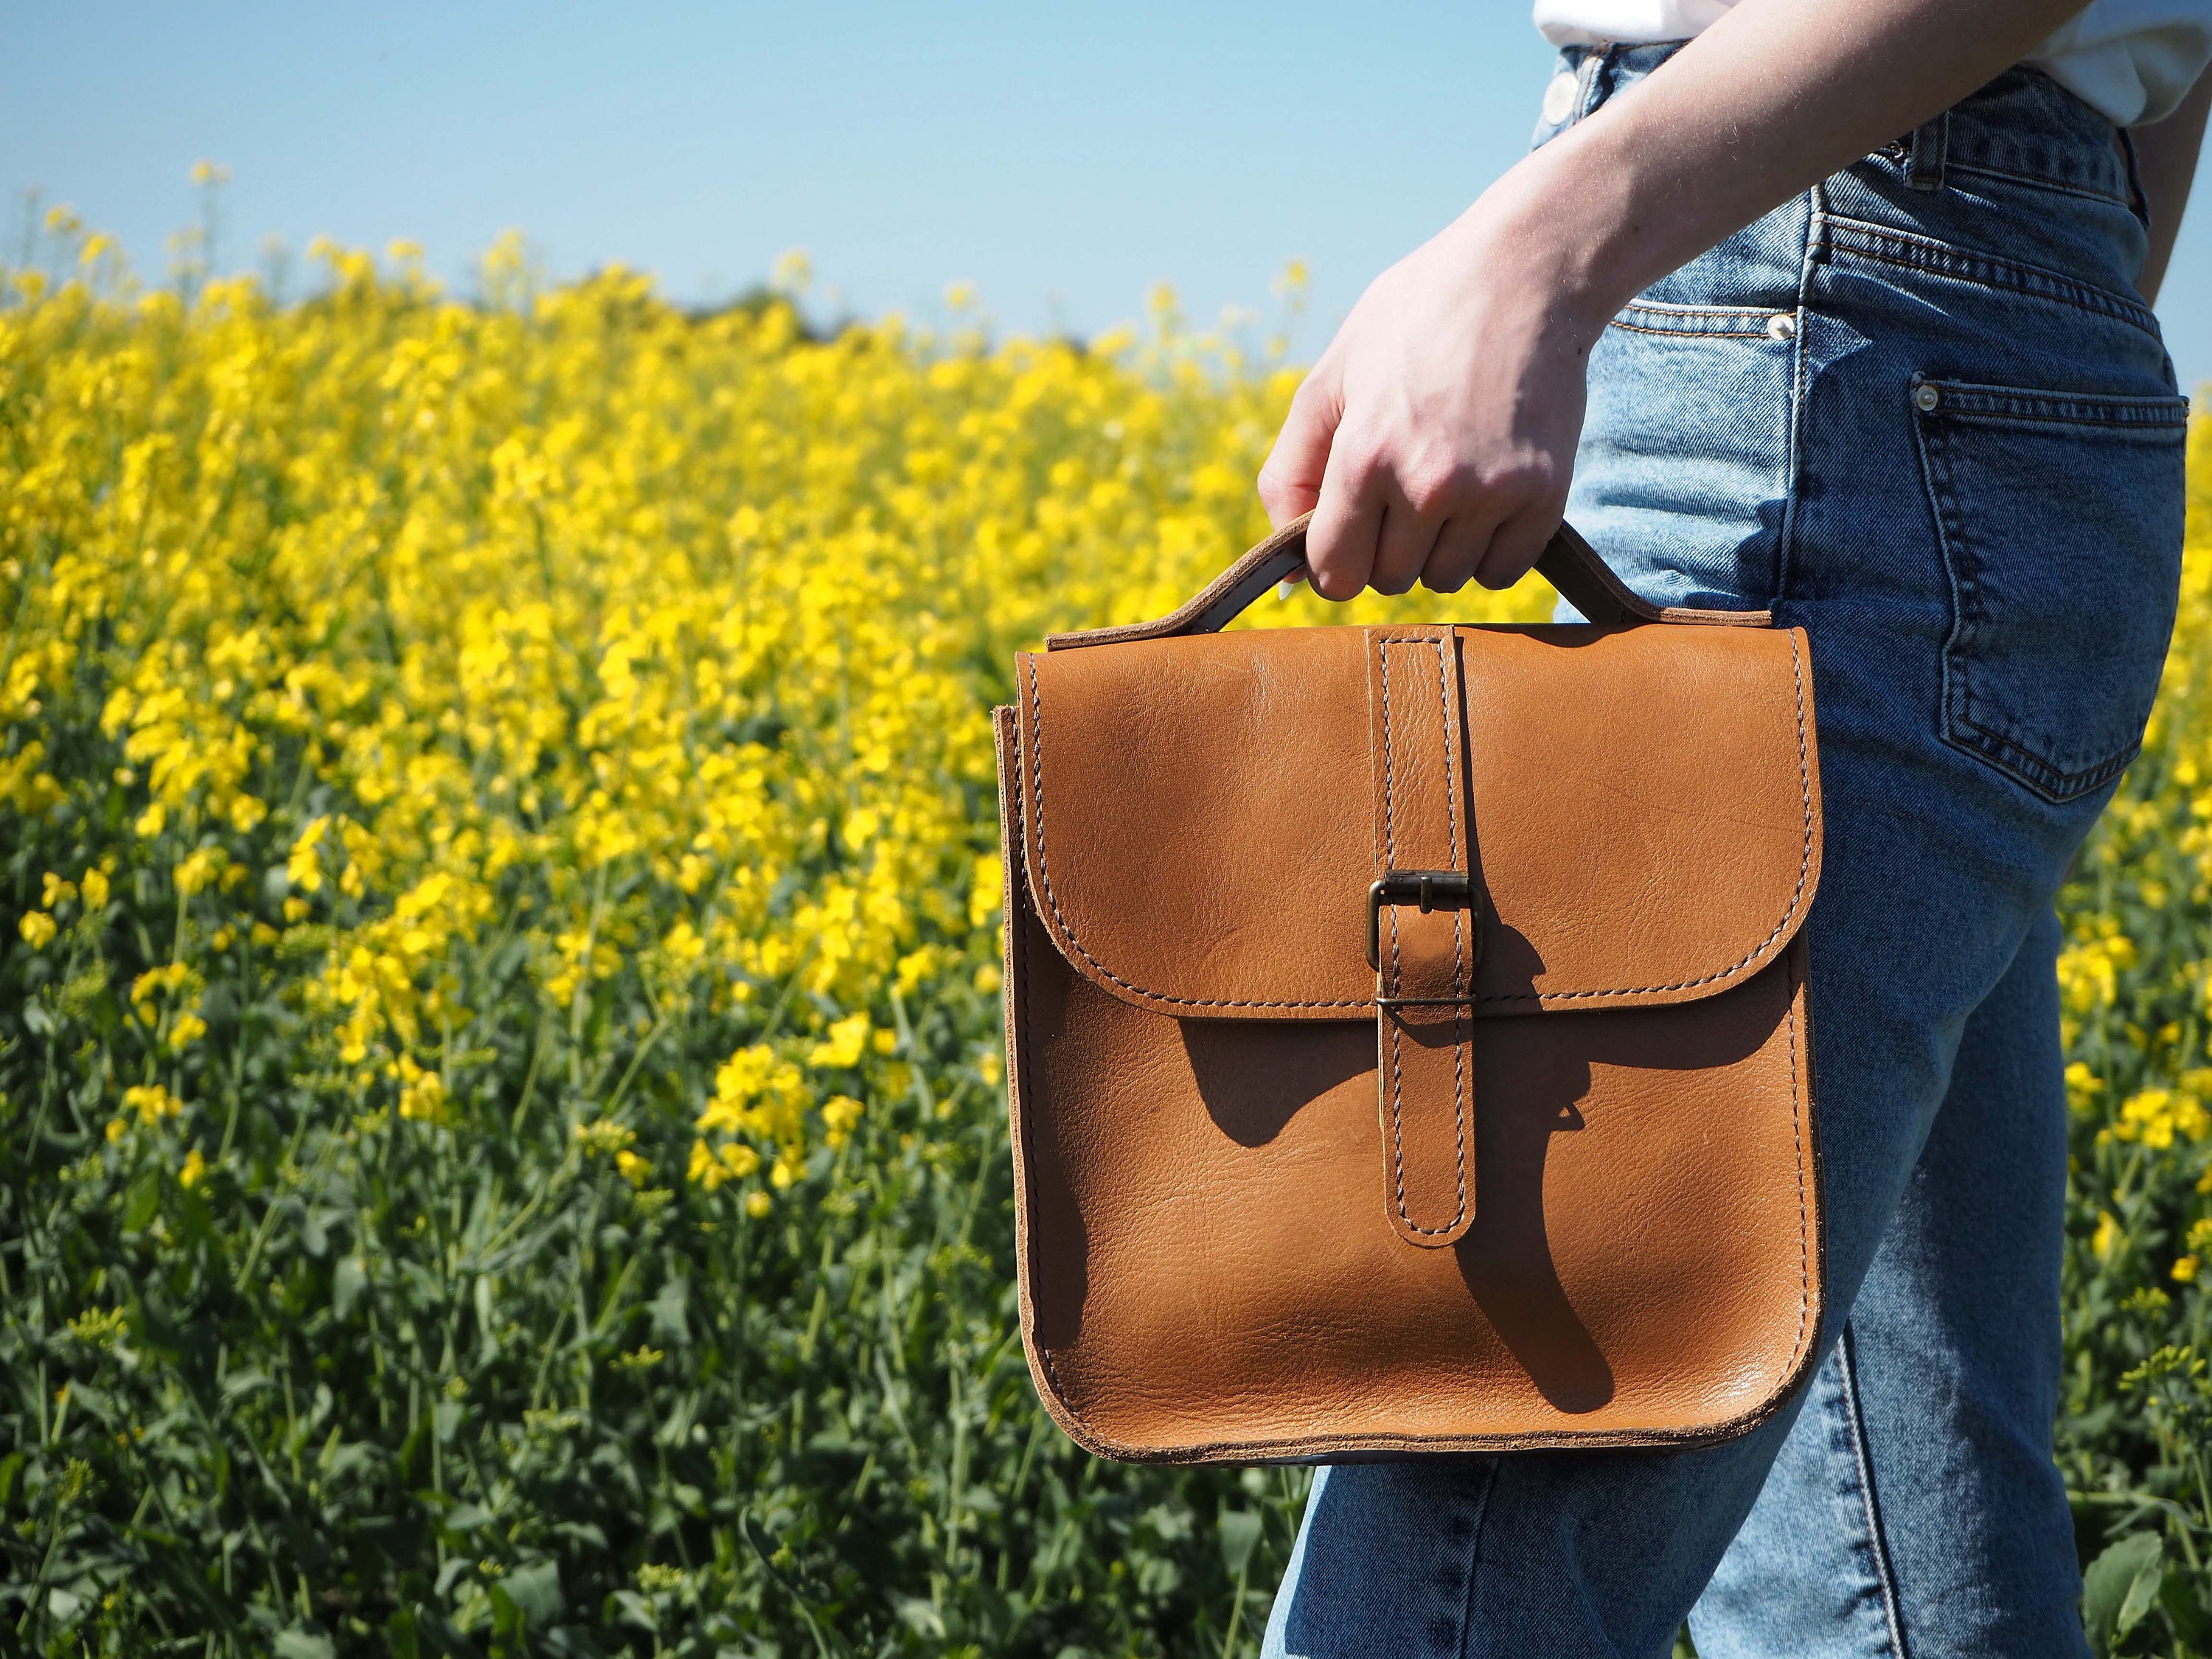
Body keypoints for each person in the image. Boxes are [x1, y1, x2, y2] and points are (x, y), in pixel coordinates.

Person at [1255, 2, 2212, 1655]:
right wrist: (2025, 338)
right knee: (1895, 1563)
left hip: (1799, 342)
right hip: (1915, 318)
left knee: (1451, 1569)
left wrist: (1544, 242)